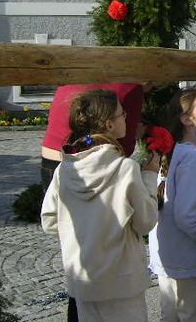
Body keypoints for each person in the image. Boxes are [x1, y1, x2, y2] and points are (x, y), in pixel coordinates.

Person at [41, 89, 159, 322]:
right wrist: (149, 176)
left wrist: (84, 233)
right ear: (109, 124)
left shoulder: (64, 169)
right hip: (121, 280)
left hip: (83, 277)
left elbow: (50, 221)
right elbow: (145, 222)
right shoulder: (125, 169)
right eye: (121, 114)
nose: (126, 117)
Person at [149, 88, 196, 322]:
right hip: (187, 255)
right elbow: (188, 216)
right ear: (187, 119)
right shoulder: (192, 156)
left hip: (169, 253)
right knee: (193, 314)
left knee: (172, 314)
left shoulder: (174, 151)